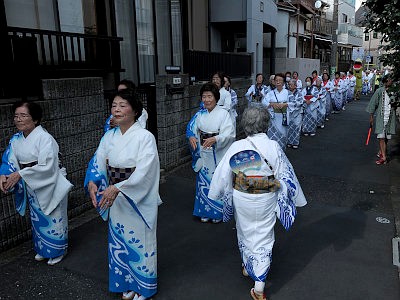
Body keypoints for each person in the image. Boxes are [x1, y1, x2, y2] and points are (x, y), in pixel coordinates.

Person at [208, 106, 307, 300]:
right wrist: (292, 195)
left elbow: (223, 173)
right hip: (266, 197)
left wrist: (216, 193)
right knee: (263, 236)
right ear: (266, 125)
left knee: (244, 231)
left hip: (242, 197)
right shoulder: (274, 146)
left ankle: (250, 267)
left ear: (245, 125)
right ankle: (258, 286)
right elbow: (285, 174)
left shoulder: (237, 147)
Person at [85, 90, 162, 300]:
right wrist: (93, 182)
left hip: (136, 198)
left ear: (135, 110)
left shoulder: (145, 137)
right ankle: (126, 282)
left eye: (122, 105)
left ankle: (144, 287)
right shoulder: (109, 136)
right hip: (114, 198)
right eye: (114, 105)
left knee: (140, 241)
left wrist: (119, 187)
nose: (116, 109)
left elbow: (146, 171)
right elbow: (98, 162)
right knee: (120, 241)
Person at [0, 101, 73, 265]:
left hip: (50, 183)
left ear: (35, 119)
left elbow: (47, 166)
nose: (18, 119)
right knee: (38, 218)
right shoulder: (16, 140)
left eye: (23, 115)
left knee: (54, 217)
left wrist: (20, 174)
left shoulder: (45, 138)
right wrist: (4, 175)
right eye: (16, 116)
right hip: (31, 183)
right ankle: (43, 249)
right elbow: (8, 161)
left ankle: (58, 250)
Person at [186, 83, 235, 223]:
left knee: (217, 181)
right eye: (204, 96)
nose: (206, 100)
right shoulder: (199, 114)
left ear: (216, 98)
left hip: (217, 153)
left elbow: (229, 134)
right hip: (203, 152)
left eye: (209, 96)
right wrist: (191, 136)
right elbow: (191, 128)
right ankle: (204, 210)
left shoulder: (223, 114)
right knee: (204, 182)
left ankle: (218, 212)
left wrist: (216, 138)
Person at [366, 75, 397, 165]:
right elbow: (373, 104)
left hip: (390, 117)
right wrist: (371, 117)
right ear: (385, 82)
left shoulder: (393, 92)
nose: (391, 81)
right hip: (381, 117)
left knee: (386, 137)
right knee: (381, 137)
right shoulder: (379, 91)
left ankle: (381, 151)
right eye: (389, 80)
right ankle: (384, 157)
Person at [263, 73, 290, 150]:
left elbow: (294, 103)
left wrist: (285, 104)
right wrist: (271, 104)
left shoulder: (288, 93)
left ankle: (281, 152)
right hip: (273, 118)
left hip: (283, 117)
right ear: (274, 82)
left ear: (283, 82)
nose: (278, 82)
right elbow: (264, 102)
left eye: (280, 80)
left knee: (283, 134)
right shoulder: (270, 93)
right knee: (272, 136)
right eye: (276, 80)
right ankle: (273, 152)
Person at [287, 79, 304, 149]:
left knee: (297, 127)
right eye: (289, 84)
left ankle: (295, 142)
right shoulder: (286, 93)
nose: (290, 86)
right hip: (289, 112)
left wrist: (291, 104)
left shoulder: (299, 93)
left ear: (295, 86)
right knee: (289, 127)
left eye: (291, 85)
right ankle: (289, 141)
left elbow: (300, 102)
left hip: (297, 112)